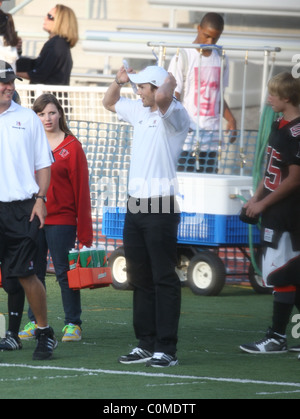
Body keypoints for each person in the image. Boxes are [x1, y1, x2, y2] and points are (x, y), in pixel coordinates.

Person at [103, 64, 190, 367]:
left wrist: (168, 81)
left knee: (163, 277)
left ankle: (166, 348)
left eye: (142, 87)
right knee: (139, 277)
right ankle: (145, 343)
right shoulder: (140, 110)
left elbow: (166, 97)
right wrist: (119, 80)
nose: (137, 91)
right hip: (135, 205)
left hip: (161, 206)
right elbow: (110, 102)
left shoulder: (175, 113)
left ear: (157, 87)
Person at [1, 93, 93, 348]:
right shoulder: (28, 140)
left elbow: (82, 190)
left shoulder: (72, 146)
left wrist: (85, 231)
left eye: (51, 112)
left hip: (62, 218)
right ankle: (34, 321)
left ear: (60, 114)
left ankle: (72, 322)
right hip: (31, 216)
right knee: (32, 270)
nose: (47, 118)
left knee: (64, 272)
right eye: (41, 113)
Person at [239, 71, 300, 355]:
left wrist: (263, 204)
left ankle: (276, 337)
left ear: (287, 97)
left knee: (280, 274)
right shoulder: (280, 123)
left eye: (272, 94)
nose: (267, 99)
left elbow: (294, 179)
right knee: (291, 275)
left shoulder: (295, 131)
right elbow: (272, 170)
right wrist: (256, 198)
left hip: (287, 214)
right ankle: (277, 336)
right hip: (274, 209)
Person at [0, 60, 56, 361]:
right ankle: (11, 335)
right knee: (11, 278)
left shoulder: (28, 119)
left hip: (23, 207)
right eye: (2, 82)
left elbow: (43, 164)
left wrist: (40, 198)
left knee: (25, 274)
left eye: (10, 82)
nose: (8, 87)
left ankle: (45, 333)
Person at [168, 12, 236, 172]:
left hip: (212, 141)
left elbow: (218, 96)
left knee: (208, 187)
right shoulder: (182, 56)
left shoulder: (222, 58)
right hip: (187, 140)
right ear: (198, 28)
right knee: (185, 188)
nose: (210, 41)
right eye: (206, 36)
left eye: (215, 38)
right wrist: (179, 125)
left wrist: (231, 119)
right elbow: (173, 98)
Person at [16, 4, 78, 85]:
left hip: (48, 96)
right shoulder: (59, 43)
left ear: (60, 22)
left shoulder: (57, 44)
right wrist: (17, 50)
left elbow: (39, 74)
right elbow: (35, 65)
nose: (45, 18)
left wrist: (9, 73)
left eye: (50, 17)